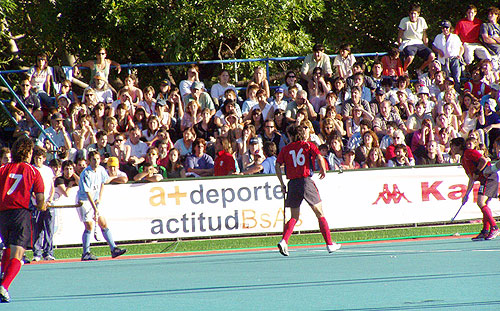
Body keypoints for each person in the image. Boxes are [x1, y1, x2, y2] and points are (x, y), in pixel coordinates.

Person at [275, 124, 341, 256]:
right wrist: (322, 169)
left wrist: (282, 183)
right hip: (305, 181)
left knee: (294, 216)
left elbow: (277, 165)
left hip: (292, 183)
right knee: (319, 213)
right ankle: (329, 244)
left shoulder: (286, 149)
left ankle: (284, 241)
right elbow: (319, 156)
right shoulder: (308, 145)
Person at [0, 136, 46, 303]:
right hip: (20, 214)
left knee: (8, 247)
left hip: (3, 215)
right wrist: (42, 206)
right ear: (28, 152)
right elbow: (40, 199)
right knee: (18, 253)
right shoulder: (33, 171)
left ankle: (1, 276)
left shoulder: (3, 169)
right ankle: (4, 286)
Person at [77, 151, 127, 261]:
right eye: (94, 159)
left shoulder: (101, 170)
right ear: (89, 160)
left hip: (95, 200)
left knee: (103, 223)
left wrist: (99, 199)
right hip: (84, 201)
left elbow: (102, 183)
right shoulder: (86, 173)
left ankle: (113, 248)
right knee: (89, 226)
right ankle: (86, 253)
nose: (96, 161)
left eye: (98, 159)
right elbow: (87, 192)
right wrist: (94, 208)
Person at [450, 137, 499, 240]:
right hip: (484, 180)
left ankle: (494, 227)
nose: (452, 148)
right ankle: (485, 230)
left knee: (481, 202)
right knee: (484, 204)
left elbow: (483, 160)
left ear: (459, 146)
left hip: (489, 177)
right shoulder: (463, 160)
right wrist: (466, 194)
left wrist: (477, 171)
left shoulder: (469, 153)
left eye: (453, 146)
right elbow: (471, 178)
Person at [31, 147, 55, 262]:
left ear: (44, 159)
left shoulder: (48, 170)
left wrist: (49, 200)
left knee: (49, 229)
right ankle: (37, 253)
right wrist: (39, 201)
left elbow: (52, 187)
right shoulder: (32, 170)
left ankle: (48, 252)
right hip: (36, 204)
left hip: (48, 204)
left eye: (40, 158)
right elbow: (32, 190)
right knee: (37, 229)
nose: (38, 161)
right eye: (36, 158)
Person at [397, 4, 435, 74]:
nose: (413, 16)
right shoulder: (404, 21)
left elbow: (424, 35)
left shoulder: (422, 20)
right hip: (408, 43)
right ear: (409, 13)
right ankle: (404, 70)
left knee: (432, 56)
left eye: (415, 14)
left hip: (419, 43)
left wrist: (426, 46)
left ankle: (420, 69)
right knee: (410, 57)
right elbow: (400, 35)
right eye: (411, 13)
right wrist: (400, 47)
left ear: (418, 14)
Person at [432, 20, 464, 91]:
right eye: (443, 28)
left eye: (446, 27)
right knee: (446, 79)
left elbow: (461, 47)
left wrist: (460, 55)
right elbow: (433, 46)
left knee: (456, 78)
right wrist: (438, 51)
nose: (445, 29)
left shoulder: (455, 37)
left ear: (450, 28)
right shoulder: (438, 37)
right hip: (443, 61)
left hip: (454, 59)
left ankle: (457, 93)